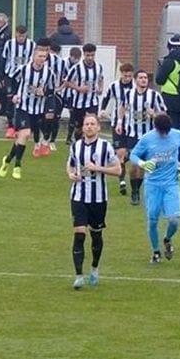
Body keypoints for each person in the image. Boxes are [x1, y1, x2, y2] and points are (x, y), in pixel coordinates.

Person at [66, 114, 121, 289]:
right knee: (79, 233)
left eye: (92, 124)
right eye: (86, 124)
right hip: (78, 196)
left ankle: (94, 268)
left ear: (98, 128)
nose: (89, 127)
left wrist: (97, 168)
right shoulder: (76, 146)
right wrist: (70, 174)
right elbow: (70, 164)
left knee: (96, 235)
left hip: (98, 199)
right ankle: (78, 275)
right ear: (82, 128)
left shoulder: (105, 147)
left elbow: (118, 170)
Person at [129, 113, 180, 264]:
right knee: (152, 220)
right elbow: (133, 155)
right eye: (161, 132)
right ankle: (156, 251)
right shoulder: (147, 139)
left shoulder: (176, 135)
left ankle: (167, 239)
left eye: (166, 132)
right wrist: (143, 164)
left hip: (171, 183)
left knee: (174, 220)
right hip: (152, 185)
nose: (164, 134)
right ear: (156, 128)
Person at [0, 45, 57, 180]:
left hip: (38, 110)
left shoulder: (49, 73)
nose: (42, 59)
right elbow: (11, 79)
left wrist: (44, 92)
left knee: (22, 139)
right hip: (23, 107)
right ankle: (17, 165)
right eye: (39, 56)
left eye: (44, 57)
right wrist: (13, 95)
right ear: (33, 57)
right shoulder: (24, 69)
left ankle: (7, 160)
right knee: (25, 134)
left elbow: (52, 90)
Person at [117, 70, 166, 205]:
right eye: (141, 77)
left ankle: (136, 191)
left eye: (145, 78)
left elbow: (164, 114)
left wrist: (154, 114)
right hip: (133, 135)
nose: (143, 80)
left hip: (150, 137)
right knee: (134, 165)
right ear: (135, 80)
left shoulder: (154, 95)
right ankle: (134, 191)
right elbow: (121, 107)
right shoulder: (128, 94)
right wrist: (120, 123)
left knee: (144, 166)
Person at [101, 63, 135, 196]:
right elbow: (106, 98)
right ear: (121, 74)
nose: (127, 78)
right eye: (125, 75)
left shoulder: (136, 86)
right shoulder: (114, 86)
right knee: (121, 153)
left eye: (130, 76)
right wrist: (103, 110)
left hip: (133, 125)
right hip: (117, 123)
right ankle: (122, 182)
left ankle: (119, 162)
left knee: (131, 154)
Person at [64, 42, 104, 145]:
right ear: (84, 55)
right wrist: (78, 88)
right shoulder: (76, 68)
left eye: (92, 55)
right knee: (79, 127)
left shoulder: (98, 67)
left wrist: (100, 88)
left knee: (92, 123)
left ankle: (91, 145)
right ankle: (78, 144)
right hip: (78, 102)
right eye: (88, 55)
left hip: (92, 101)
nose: (90, 58)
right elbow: (67, 82)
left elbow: (100, 78)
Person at [1, 24, 35, 138]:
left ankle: (22, 127)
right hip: (11, 76)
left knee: (24, 101)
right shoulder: (9, 44)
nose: (21, 38)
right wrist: (1, 76)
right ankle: (10, 127)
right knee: (10, 100)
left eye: (23, 36)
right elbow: (4, 59)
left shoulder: (31, 45)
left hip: (25, 78)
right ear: (16, 34)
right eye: (19, 36)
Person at [155, 33, 180, 132]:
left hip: (170, 97)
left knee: (171, 126)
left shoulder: (169, 61)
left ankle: (172, 147)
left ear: (169, 46)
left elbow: (159, 80)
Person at [39, 42, 69, 154]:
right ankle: (44, 138)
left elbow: (67, 78)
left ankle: (51, 141)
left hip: (56, 95)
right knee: (41, 117)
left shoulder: (60, 62)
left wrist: (60, 88)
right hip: (41, 95)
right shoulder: (37, 60)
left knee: (54, 118)